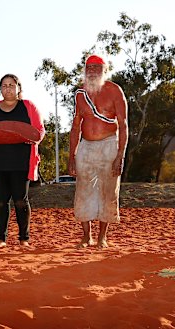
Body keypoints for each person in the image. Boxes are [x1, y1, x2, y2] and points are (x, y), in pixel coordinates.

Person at [68, 55, 128, 249]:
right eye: (89, 67)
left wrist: (120, 155)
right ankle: (86, 236)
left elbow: (124, 125)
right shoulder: (80, 94)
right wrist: (72, 155)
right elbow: (76, 126)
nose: (92, 71)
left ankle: (102, 236)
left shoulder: (115, 91)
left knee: (108, 190)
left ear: (105, 70)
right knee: (83, 190)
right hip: (86, 146)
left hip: (109, 144)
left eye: (97, 67)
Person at [0, 74, 45, 247]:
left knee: (20, 200)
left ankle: (24, 238)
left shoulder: (28, 107)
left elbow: (39, 130)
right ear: (0, 88)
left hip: (21, 162)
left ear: (18, 88)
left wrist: (35, 139)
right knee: (1, 201)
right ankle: (1, 238)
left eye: (11, 85)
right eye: (4, 85)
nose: (8, 88)